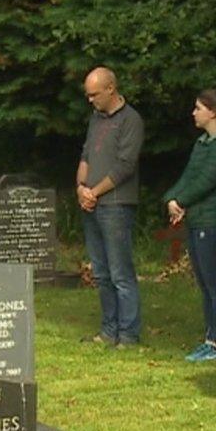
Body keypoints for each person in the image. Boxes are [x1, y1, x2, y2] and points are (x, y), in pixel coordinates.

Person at [162, 88, 216, 361]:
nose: (194, 113)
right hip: (196, 219)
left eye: (198, 108)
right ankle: (210, 338)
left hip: (213, 221)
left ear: (213, 112)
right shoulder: (203, 143)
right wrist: (172, 198)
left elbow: (208, 179)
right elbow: (189, 176)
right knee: (204, 283)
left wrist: (181, 200)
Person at [77, 67, 145, 348]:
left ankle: (128, 334)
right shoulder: (95, 119)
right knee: (101, 273)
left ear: (111, 89)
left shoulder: (131, 120)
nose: (90, 100)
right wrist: (81, 187)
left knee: (120, 273)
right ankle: (108, 330)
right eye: (87, 95)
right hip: (91, 204)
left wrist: (94, 191)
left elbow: (125, 166)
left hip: (116, 205)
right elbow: (85, 154)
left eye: (94, 94)